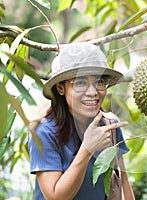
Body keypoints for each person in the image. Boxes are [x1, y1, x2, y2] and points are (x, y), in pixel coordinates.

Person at [28, 42, 133, 200]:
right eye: (80, 82)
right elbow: (55, 197)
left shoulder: (109, 125)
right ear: (61, 88)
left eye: (99, 81)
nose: (93, 92)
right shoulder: (43, 132)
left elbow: (122, 182)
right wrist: (87, 148)